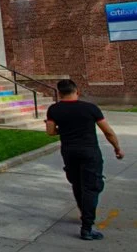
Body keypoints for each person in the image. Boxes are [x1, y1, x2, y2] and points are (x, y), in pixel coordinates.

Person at [45, 79, 124, 240]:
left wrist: (64, 129)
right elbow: (108, 132)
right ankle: (87, 227)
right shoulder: (90, 108)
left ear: (59, 93)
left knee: (77, 184)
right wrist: (117, 148)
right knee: (92, 187)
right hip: (90, 152)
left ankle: (83, 214)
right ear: (77, 91)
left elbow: (51, 132)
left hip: (69, 152)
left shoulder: (54, 109)